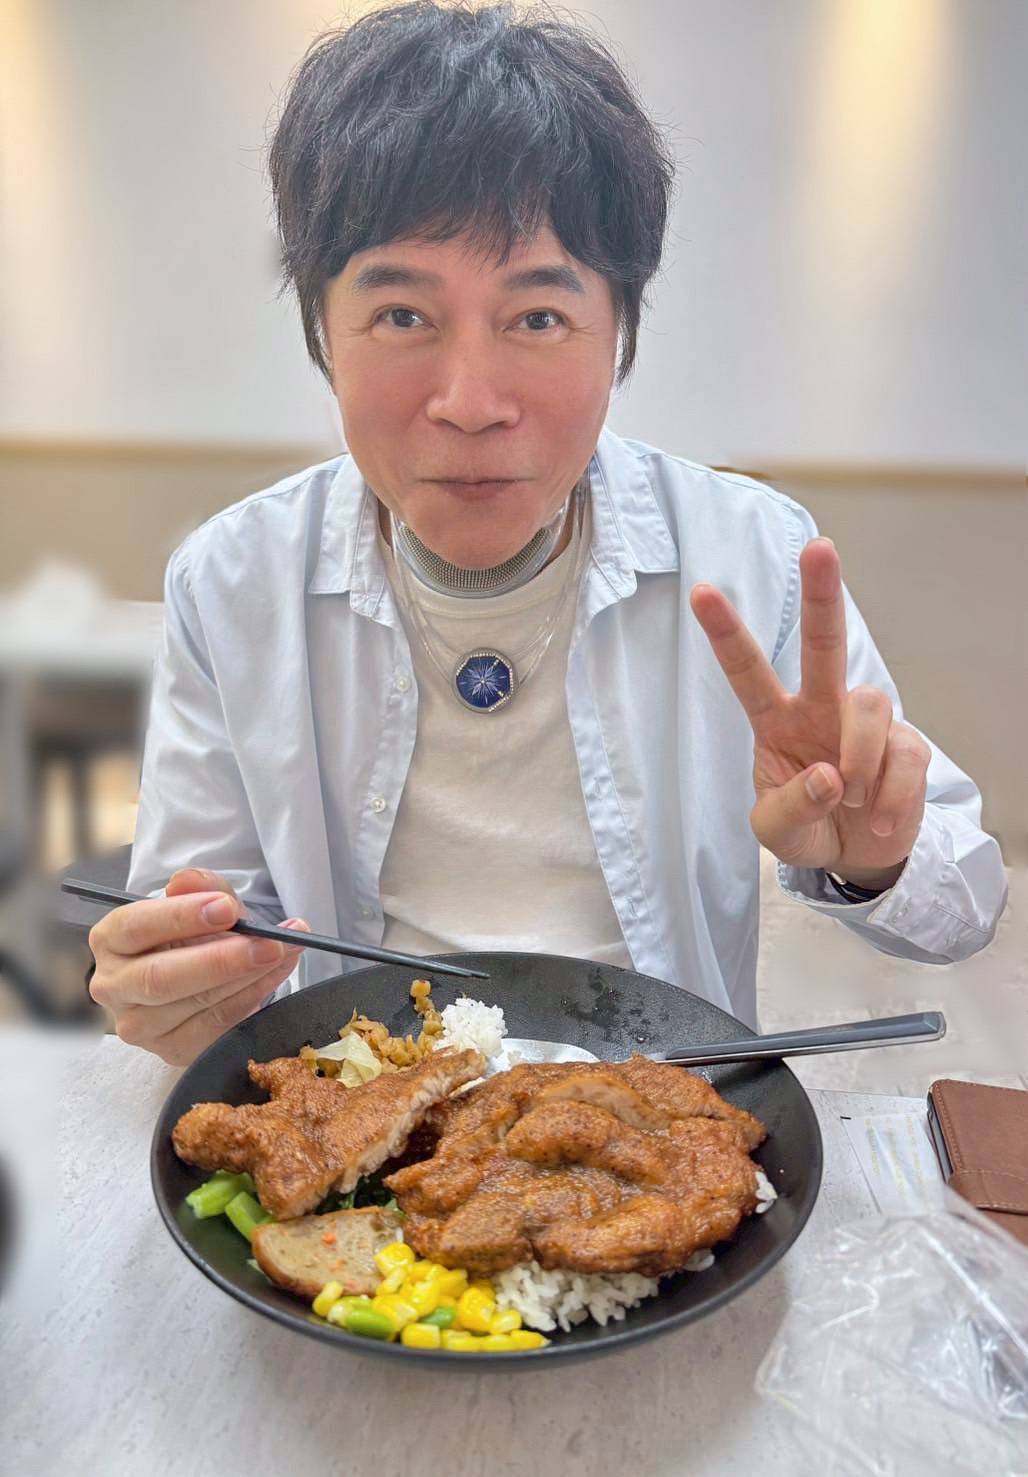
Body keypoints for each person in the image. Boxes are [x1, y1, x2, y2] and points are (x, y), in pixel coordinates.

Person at [87, 1, 1007, 1065]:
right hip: (364, 1117)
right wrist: (179, 981)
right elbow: (198, 913)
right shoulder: (233, 582)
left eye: (537, 317)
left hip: (665, 1115)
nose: (470, 403)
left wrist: (873, 855)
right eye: (401, 315)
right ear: (323, 332)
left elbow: (966, 904)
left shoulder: (746, 552)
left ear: (618, 333)